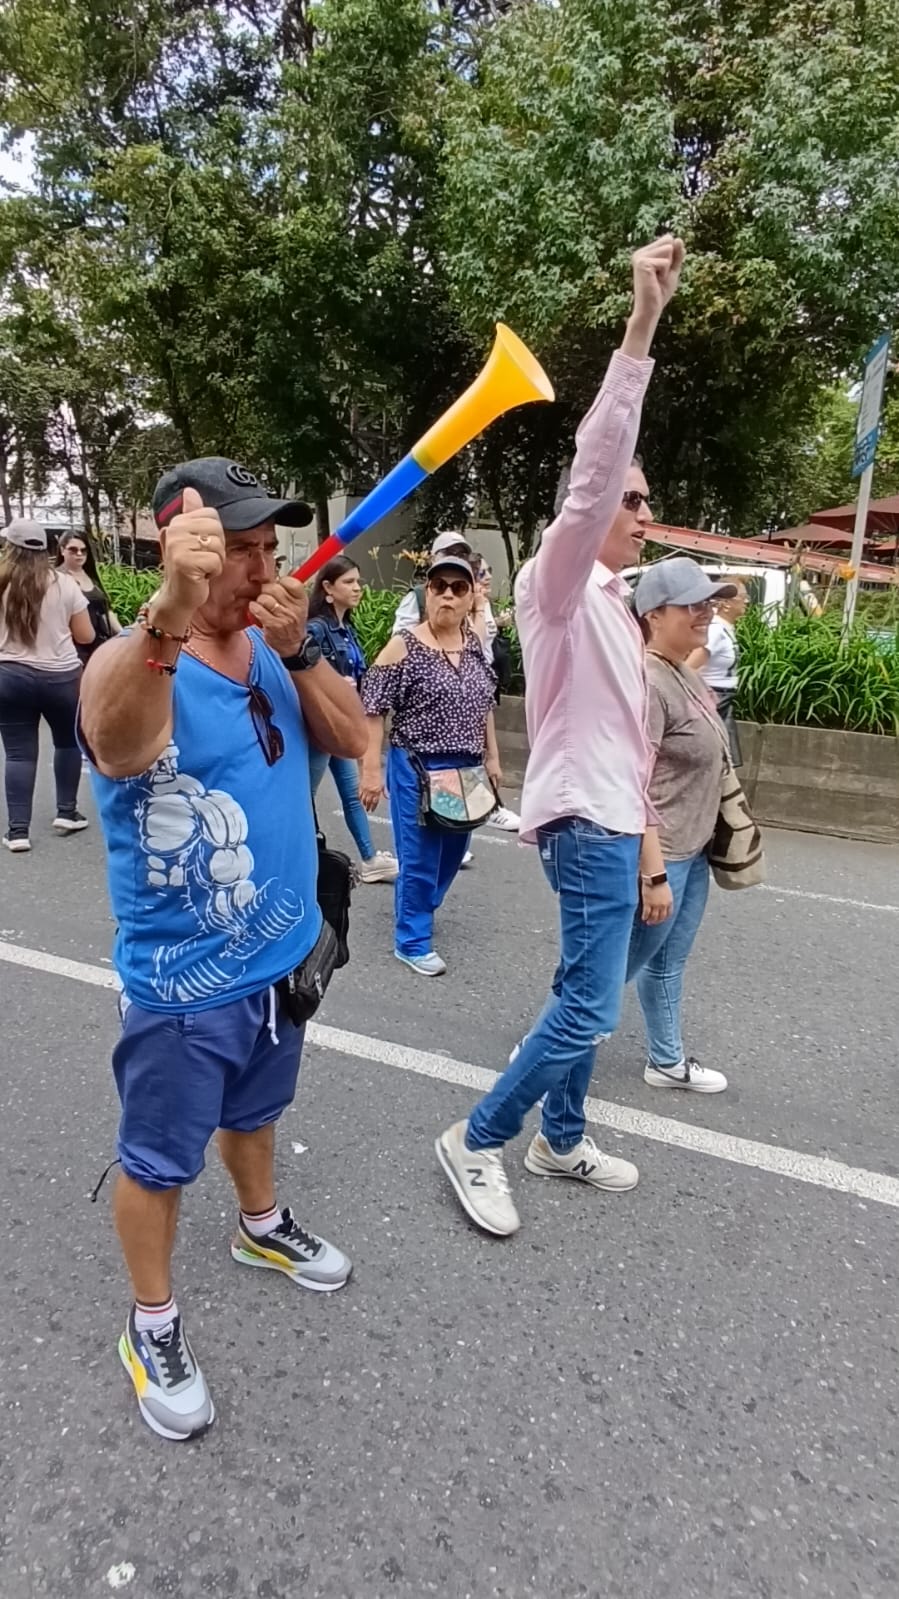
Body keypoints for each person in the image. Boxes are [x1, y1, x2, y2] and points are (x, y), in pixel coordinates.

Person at [79, 457, 368, 1442]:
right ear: (183, 552)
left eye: (270, 548)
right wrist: (166, 614)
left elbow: (353, 740)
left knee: (256, 1110)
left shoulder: (273, 647)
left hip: (282, 958)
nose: (264, 569)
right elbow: (118, 745)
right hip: (182, 986)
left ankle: (260, 1224)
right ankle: (150, 1322)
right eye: (239, 550)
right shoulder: (136, 660)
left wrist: (300, 650)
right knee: (157, 1163)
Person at [435, 236, 685, 1238]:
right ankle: (477, 1137)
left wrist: (652, 847)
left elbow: (631, 745)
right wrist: (640, 328)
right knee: (587, 1006)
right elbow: (590, 477)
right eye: (633, 497)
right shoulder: (556, 579)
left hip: (614, 819)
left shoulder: (615, 604)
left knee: (594, 982)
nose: (642, 511)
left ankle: (561, 1134)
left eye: (645, 499)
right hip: (583, 821)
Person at [359, 553, 500, 976]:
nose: (448, 596)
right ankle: (412, 939)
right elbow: (373, 708)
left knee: (453, 852)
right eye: (439, 586)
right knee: (419, 857)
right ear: (427, 592)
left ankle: (416, 903)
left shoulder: (473, 644)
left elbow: (486, 703)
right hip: (418, 766)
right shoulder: (404, 644)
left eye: (458, 588)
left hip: (466, 768)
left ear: (471, 597)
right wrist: (370, 769)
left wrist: (493, 757)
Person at [626, 558, 736, 1093]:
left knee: (667, 962)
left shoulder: (683, 672)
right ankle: (543, 1047)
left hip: (693, 848)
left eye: (709, 602)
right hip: (662, 853)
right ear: (654, 614)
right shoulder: (647, 682)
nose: (706, 611)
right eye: (692, 604)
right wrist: (653, 875)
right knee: (608, 967)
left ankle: (666, 1061)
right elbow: (635, 782)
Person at [0, 518, 95, 852]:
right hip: (62, 677)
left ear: (10, 548)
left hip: (10, 676)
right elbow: (86, 635)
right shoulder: (65, 584)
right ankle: (66, 812)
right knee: (68, 743)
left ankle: (18, 832)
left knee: (19, 754)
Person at [305, 555, 399, 884]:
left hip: (340, 725)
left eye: (358, 581)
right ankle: (304, 856)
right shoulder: (315, 629)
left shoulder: (348, 629)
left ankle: (370, 859)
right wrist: (334, 683)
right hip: (321, 725)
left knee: (351, 793)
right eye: (349, 582)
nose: (357, 588)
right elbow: (300, 674)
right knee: (303, 796)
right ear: (328, 588)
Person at [687, 578, 748, 765]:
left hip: (723, 700)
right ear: (726, 604)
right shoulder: (716, 631)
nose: (747, 602)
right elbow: (689, 666)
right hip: (715, 700)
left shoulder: (725, 629)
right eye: (743, 597)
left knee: (724, 762)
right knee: (720, 761)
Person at [56, 531, 123, 661]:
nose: (79, 554)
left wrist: (122, 633)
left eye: (83, 550)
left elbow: (105, 610)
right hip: (72, 650)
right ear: (62, 550)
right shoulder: (57, 578)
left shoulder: (90, 575)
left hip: (100, 646)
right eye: (73, 550)